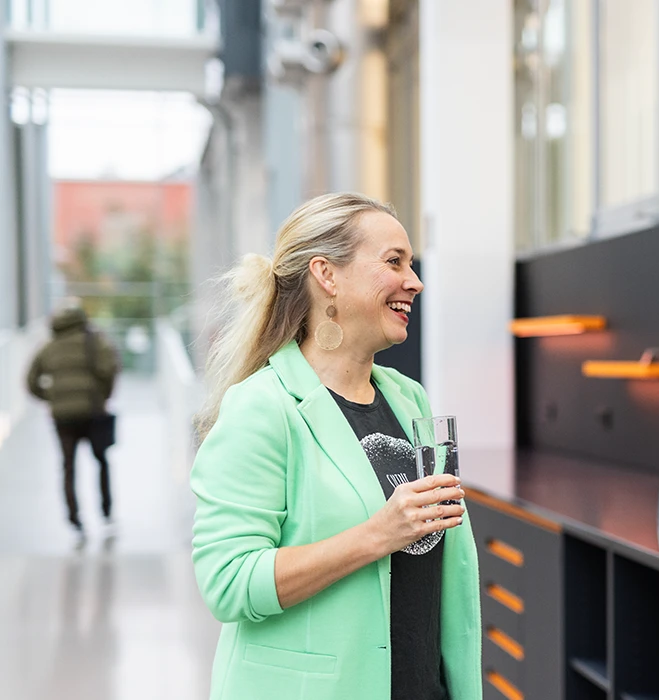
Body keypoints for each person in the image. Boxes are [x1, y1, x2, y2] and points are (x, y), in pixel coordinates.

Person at [190, 193, 481, 700]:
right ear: (327, 274)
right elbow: (228, 581)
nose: (414, 281)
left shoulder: (408, 396)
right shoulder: (263, 407)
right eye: (394, 262)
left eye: (411, 264)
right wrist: (377, 534)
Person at [27, 302, 120, 542]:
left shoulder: (48, 346)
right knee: (101, 461)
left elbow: (30, 380)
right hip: (92, 412)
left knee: (68, 466)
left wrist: (51, 398)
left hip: (63, 418)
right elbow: (110, 367)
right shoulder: (93, 341)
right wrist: (103, 396)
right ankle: (106, 513)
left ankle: (75, 520)